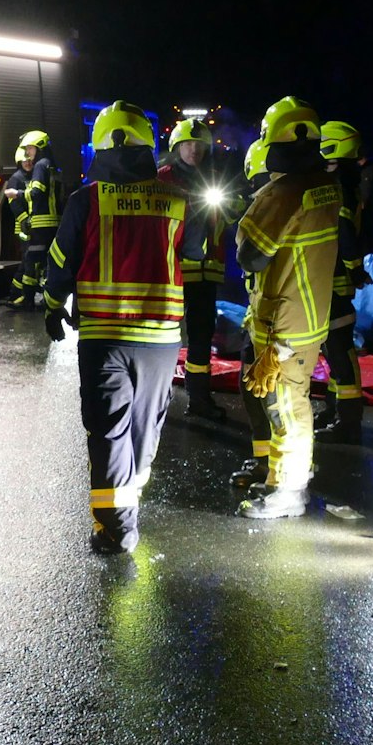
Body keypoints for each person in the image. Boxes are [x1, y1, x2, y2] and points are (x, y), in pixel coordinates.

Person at [44, 101, 206, 553]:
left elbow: (61, 263)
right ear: (147, 146)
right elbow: (196, 251)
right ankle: (127, 506)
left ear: (101, 144)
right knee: (144, 428)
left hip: (103, 338)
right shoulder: (179, 200)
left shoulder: (85, 200)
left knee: (108, 431)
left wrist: (53, 306)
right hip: (160, 339)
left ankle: (116, 528)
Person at [234, 97, 340, 519]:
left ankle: (289, 493)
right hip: (308, 317)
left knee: (287, 408)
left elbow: (250, 256)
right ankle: (283, 478)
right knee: (289, 401)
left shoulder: (283, 193)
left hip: (285, 323)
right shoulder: (325, 186)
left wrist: (252, 210)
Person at [157, 118, 234, 421]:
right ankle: (154, 398)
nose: (194, 149)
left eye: (200, 145)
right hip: (172, 272)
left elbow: (229, 217)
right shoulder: (162, 179)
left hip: (205, 272)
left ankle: (199, 399)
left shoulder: (214, 178)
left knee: (202, 336)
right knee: (163, 336)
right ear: (176, 147)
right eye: (188, 144)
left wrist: (234, 204)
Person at [313, 119, 370, 443]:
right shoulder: (344, 183)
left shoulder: (338, 187)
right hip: (333, 282)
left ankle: (348, 421)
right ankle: (334, 409)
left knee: (340, 351)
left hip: (334, 283)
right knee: (334, 352)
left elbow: (345, 236)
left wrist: (354, 268)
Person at [230, 136, 275, 484]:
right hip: (263, 318)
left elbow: (250, 257)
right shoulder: (273, 204)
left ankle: (278, 471)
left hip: (277, 322)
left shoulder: (273, 208)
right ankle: (264, 461)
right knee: (254, 389)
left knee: (275, 401)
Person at [6, 130, 61, 307]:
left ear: (39, 148)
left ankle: (27, 299)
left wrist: (18, 194)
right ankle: (29, 296)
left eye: (30, 149)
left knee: (32, 261)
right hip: (46, 223)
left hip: (41, 224)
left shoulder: (40, 166)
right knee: (40, 261)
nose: (28, 155)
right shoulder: (50, 166)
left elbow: (37, 193)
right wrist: (24, 220)